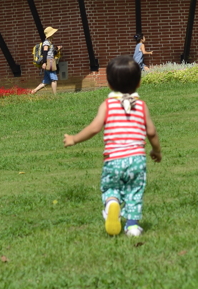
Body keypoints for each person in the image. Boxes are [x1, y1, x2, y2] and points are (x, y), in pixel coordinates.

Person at [63, 55, 161, 237]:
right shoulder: (141, 105)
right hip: (137, 159)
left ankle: (112, 203)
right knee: (134, 190)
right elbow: (152, 132)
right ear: (139, 83)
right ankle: (132, 226)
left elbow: (94, 128)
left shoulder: (108, 105)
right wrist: (156, 151)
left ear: (109, 84)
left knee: (111, 187)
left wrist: (74, 139)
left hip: (113, 159)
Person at [30, 26, 60, 95]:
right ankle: (55, 96)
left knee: (45, 82)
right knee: (54, 79)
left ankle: (33, 91)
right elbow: (45, 52)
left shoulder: (49, 42)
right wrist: (44, 63)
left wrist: (57, 50)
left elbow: (51, 53)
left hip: (49, 61)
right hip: (49, 62)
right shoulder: (46, 43)